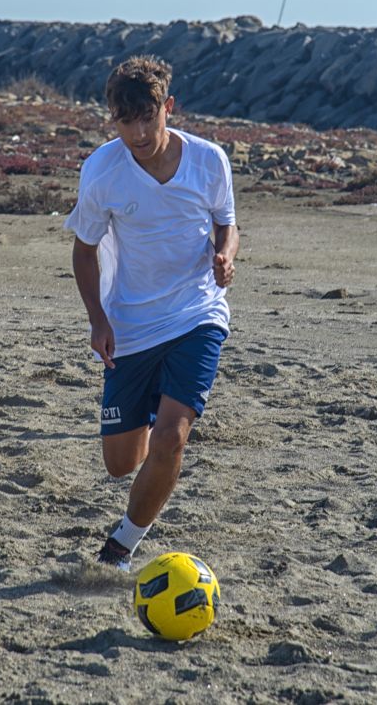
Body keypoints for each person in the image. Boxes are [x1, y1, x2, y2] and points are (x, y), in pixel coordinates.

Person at [65, 56, 239, 571]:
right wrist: (97, 320)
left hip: (196, 313)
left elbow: (227, 223)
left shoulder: (209, 161)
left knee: (171, 437)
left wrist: (225, 255)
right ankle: (153, 451)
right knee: (120, 464)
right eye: (126, 121)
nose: (139, 133)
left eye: (149, 118)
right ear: (112, 118)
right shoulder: (101, 171)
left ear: (168, 107)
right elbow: (83, 250)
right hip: (130, 325)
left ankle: (121, 546)